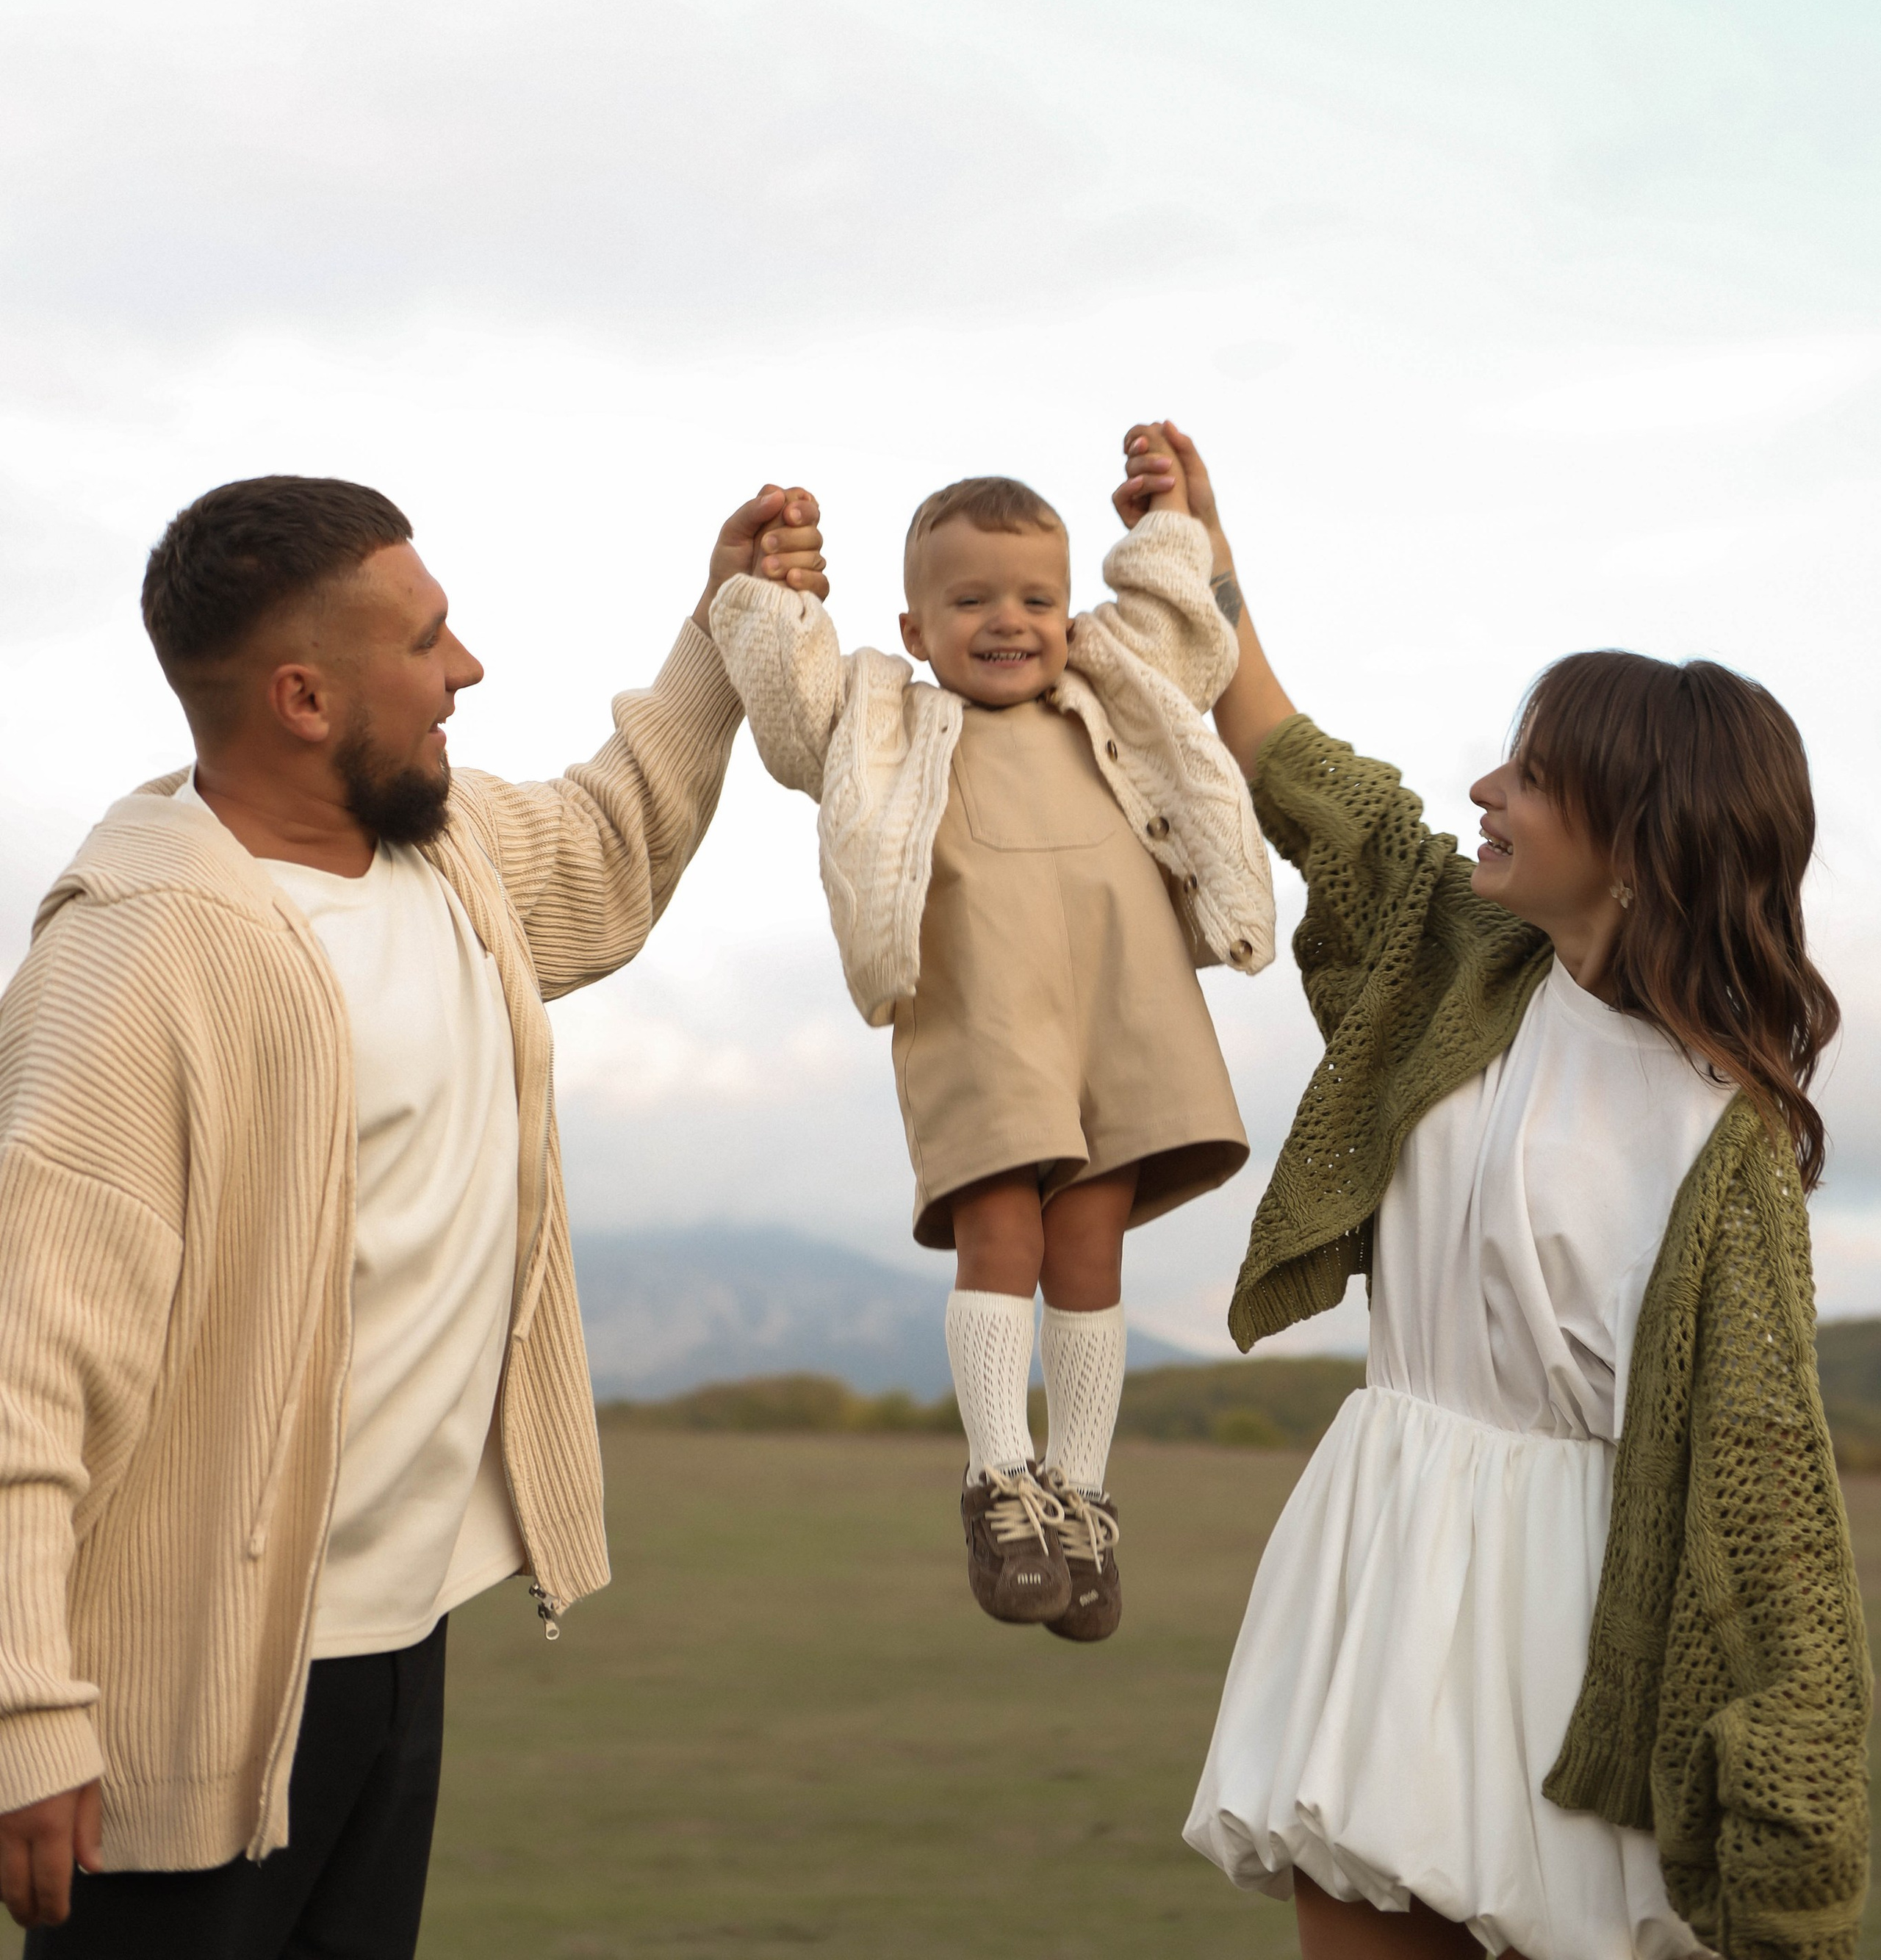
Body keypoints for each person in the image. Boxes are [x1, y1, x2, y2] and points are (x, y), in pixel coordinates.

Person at [0, 467, 826, 1958]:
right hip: (186, 1688)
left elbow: (610, 837)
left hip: (394, 1646)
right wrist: (24, 1715)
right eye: (427, 640)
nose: (467, 669)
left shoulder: (447, 855)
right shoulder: (134, 967)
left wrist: (722, 627)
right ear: (305, 699)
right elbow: (20, 1372)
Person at [1111, 424, 1871, 1960]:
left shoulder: (1720, 1142)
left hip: (1579, 1615)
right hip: (1390, 1546)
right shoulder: (1461, 970)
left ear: (1638, 844)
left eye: (1527, 773)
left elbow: (1764, 1492)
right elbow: (1309, 781)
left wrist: (1805, 1850)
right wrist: (1205, 559)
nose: (1480, 786)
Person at [709, 466, 1274, 1643]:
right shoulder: (886, 720)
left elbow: (1185, 634)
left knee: (1091, 1239)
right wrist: (777, 590)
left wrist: (1173, 519)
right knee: (1001, 1227)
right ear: (913, 628)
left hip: (1128, 998)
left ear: (1069, 615)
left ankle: (1079, 1491)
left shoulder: (1113, 693)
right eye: (970, 603)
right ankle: (999, 1480)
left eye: (1035, 599)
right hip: (983, 1002)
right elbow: (789, 698)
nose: (1008, 621)